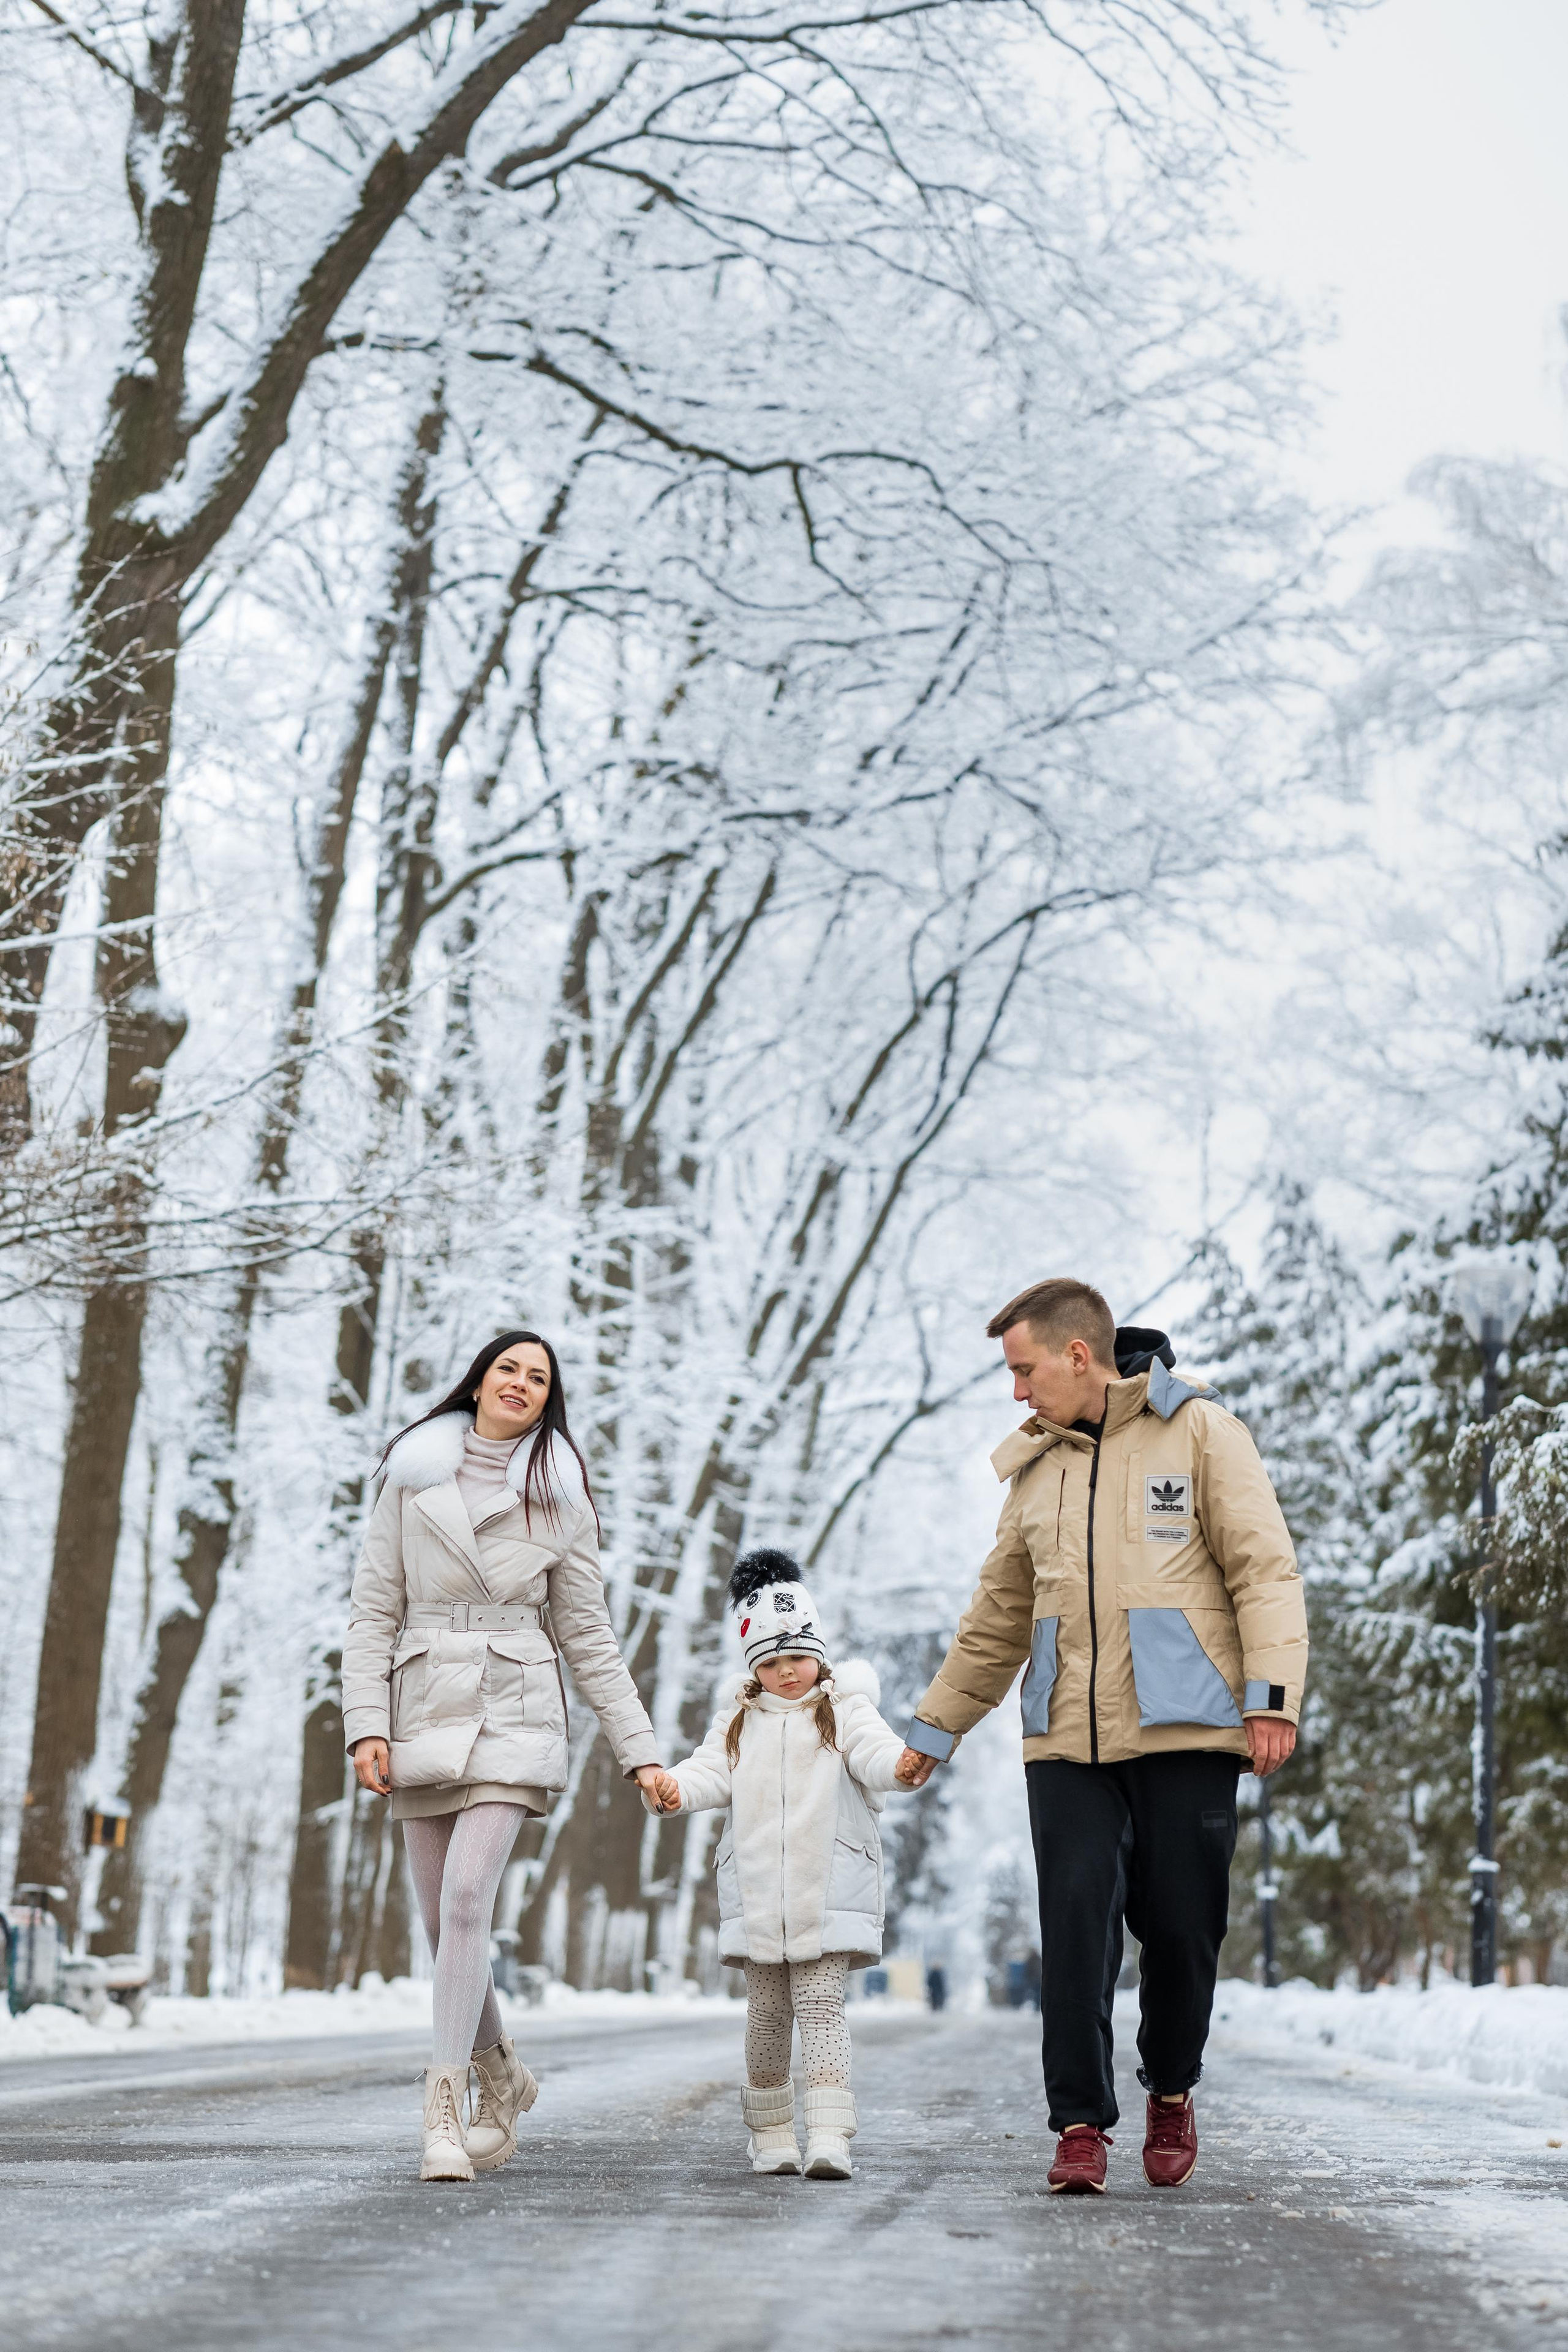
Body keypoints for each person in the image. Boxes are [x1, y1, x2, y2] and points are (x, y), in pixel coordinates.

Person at [898, 1280, 1307, 2196]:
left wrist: (1271, 1696)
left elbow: (1264, 1568)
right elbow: (998, 1618)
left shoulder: (1200, 1431)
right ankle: (1079, 2124)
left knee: (1182, 1928)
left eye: (1023, 1369)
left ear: (1077, 1355)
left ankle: (1171, 2085)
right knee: (1075, 1925)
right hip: (1067, 1741)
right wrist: (938, 1727)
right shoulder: (1035, 1470)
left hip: (1189, 1727)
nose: (1016, 1392)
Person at [343, 1329, 666, 2182]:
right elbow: (374, 1610)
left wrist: (640, 1753)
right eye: (508, 1369)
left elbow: (588, 1638)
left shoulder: (559, 1497)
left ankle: (444, 2114)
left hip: (515, 1711)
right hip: (421, 1709)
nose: (521, 1383)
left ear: (546, 1399)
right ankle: (504, 2076)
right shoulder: (409, 1479)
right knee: (443, 1924)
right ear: (479, 1383)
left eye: (539, 1377)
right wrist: (365, 1723)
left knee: (463, 1901)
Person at [647, 1549, 924, 2179]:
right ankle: (771, 2132)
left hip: (826, 1890)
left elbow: (877, 1754)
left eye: (797, 1657)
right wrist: (673, 1789)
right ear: (754, 1669)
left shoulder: (846, 1709)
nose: (787, 1673)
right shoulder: (738, 1720)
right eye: (770, 1663)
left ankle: (829, 2132)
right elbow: (707, 1770)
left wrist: (902, 1767)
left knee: (823, 2006)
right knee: (767, 2015)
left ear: (818, 1653)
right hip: (759, 1895)